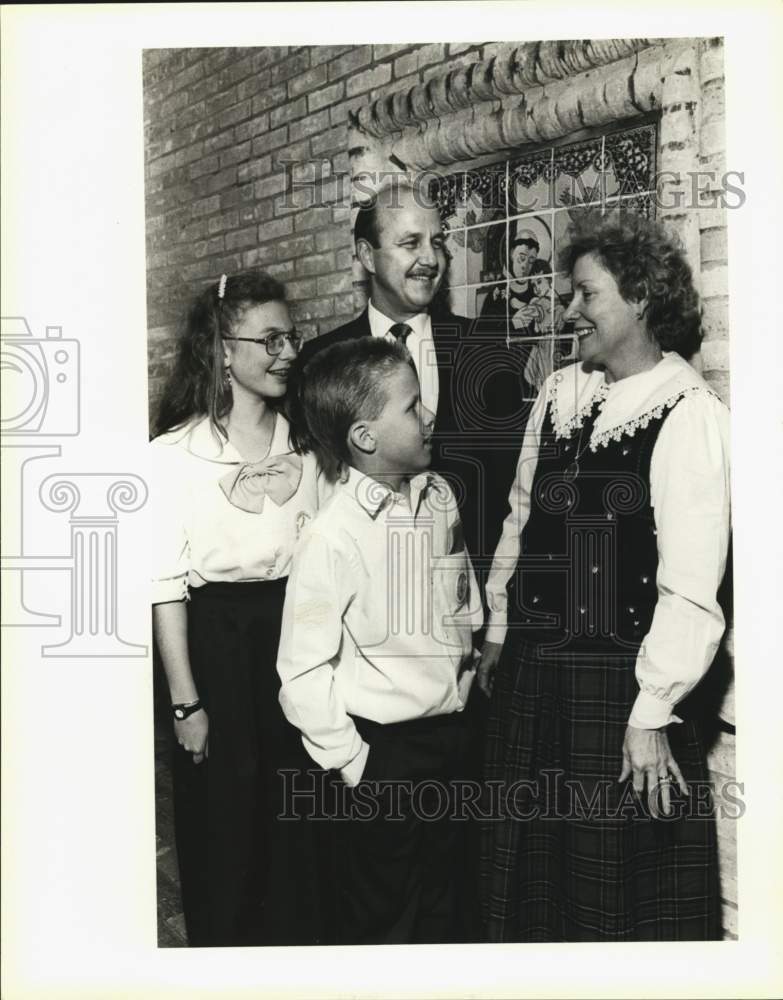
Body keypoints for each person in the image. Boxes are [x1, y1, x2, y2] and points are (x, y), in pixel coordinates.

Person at [477, 211, 731, 941]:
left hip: (620, 685)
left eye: (585, 293)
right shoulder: (560, 393)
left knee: (609, 892)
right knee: (531, 878)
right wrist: (499, 627)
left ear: (641, 296)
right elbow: (521, 520)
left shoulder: (687, 414)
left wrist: (652, 712)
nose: (569, 309)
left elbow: (689, 585)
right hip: (533, 671)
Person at [277, 338, 484, 944]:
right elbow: (302, 673)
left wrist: (465, 671)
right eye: (412, 407)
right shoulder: (331, 538)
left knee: (449, 906)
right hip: (386, 756)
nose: (429, 417)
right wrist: (357, 765)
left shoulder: (438, 497)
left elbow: (460, 594)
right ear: (365, 437)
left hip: (450, 740)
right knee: (386, 918)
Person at [150, 270, 326, 946]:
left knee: (292, 817)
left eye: (292, 338)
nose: (287, 353)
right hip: (215, 648)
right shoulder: (172, 457)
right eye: (270, 339)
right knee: (223, 822)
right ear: (224, 349)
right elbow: (165, 587)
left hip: (293, 641)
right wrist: (185, 704)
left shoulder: (309, 449)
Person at [295, 177, 524, 568]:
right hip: (364, 594)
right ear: (367, 256)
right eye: (410, 243)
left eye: (436, 242)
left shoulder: (485, 348)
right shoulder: (321, 360)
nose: (431, 259)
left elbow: (511, 487)